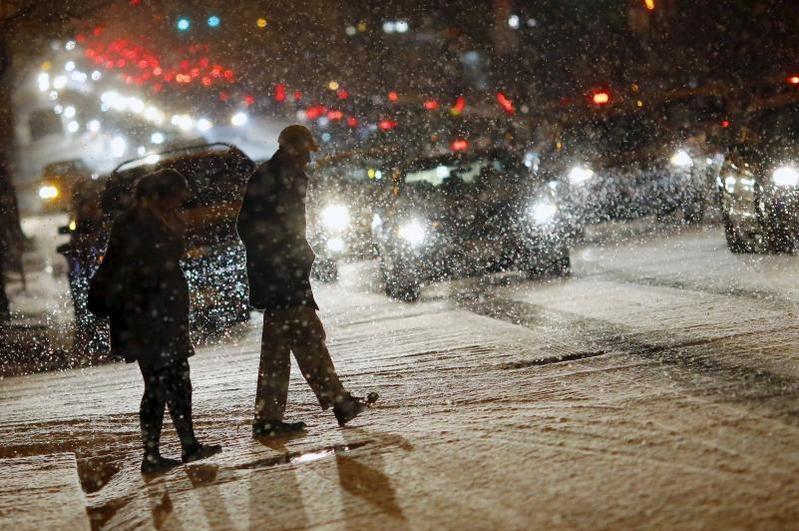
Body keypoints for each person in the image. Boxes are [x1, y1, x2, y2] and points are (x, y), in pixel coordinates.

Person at [237, 125, 377, 437]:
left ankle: (268, 420)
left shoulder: (278, 175)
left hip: (280, 274)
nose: (308, 159)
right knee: (308, 338)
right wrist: (283, 255)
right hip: (281, 276)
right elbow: (251, 226)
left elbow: (253, 226)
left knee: (277, 351)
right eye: (304, 152)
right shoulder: (276, 177)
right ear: (290, 149)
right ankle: (339, 402)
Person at [98, 169, 221, 473]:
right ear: (163, 193)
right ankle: (151, 455)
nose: (183, 199)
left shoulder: (160, 218)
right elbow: (131, 270)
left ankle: (188, 445)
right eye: (179, 193)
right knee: (157, 386)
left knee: (179, 382)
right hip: (147, 319)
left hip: (164, 316)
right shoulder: (133, 223)